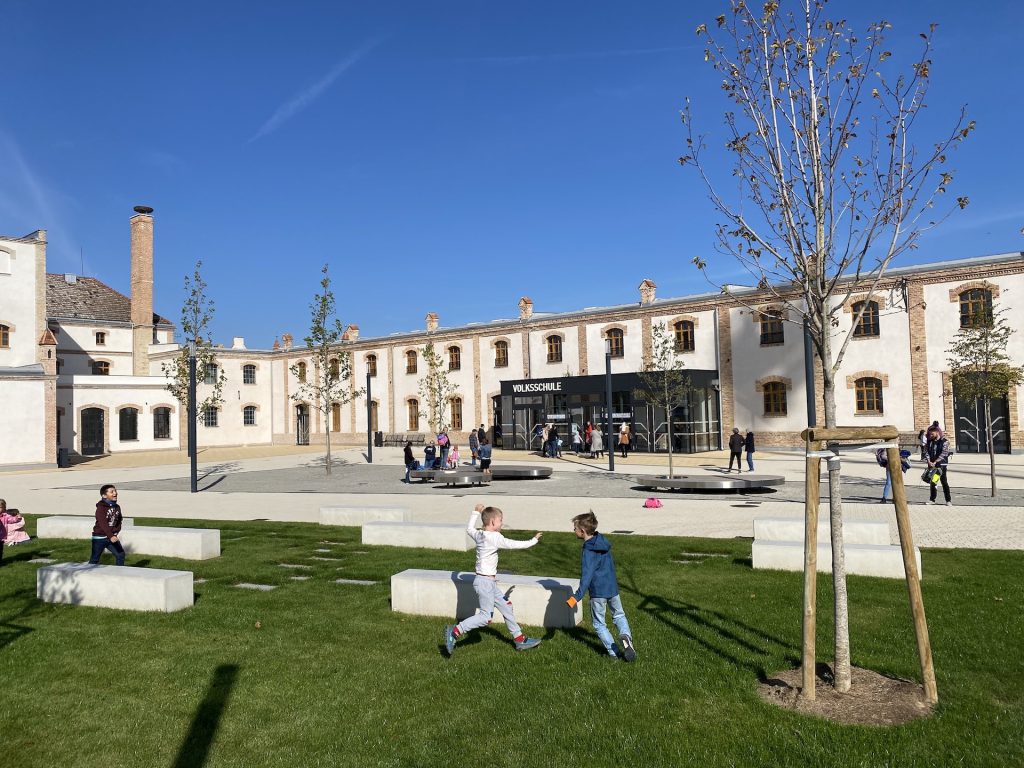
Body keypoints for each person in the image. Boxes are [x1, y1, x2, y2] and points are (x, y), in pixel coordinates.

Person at [444, 504, 543, 656]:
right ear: (492, 522)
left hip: (487, 582)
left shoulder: (480, 534)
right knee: (485, 617)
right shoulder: (495, 537)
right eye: (500, 520)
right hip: (485, 584)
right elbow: (513, 544)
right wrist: (533, 540)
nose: (502, 523)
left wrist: (475, 512)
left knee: (506, 606)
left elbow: (469, 529)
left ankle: (519, 639)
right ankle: (455, 631)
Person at [565, 511, 637, 661]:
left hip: (598, 592)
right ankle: (625, 635)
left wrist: (575, 598)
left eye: (575, 528)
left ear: (582, 531)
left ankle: (614, 653)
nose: (574, 531)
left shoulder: (588, 550)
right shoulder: (602, 541)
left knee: (599, 624)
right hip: (612, 588)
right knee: (619, 615)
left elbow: (586, 576)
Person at [89, 484, 125, 566]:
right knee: (94, 559)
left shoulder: (117, 507)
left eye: (115, 491)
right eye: (112, 492)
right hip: (99, 538)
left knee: (120, 554)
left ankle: (119, 574)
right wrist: (111, 535)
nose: (115, 493)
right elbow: (103, 523)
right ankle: (87, 575)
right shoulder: (101, 508)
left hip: (111, 537)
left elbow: (119, 520)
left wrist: (116, 532)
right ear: (104, 495)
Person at [924, 426, 953, 505]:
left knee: (944, 482)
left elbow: (944, 453)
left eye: (932, 434)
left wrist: (936, 461)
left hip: (941, 466)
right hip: (933, 465)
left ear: (937, 432)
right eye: (930, 434)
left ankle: (948, 500)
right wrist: (929, 461)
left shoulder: (944, 441)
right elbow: (926, 451)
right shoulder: (930, 442)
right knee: (933, 481)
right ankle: (932, 499)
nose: (931, 435)